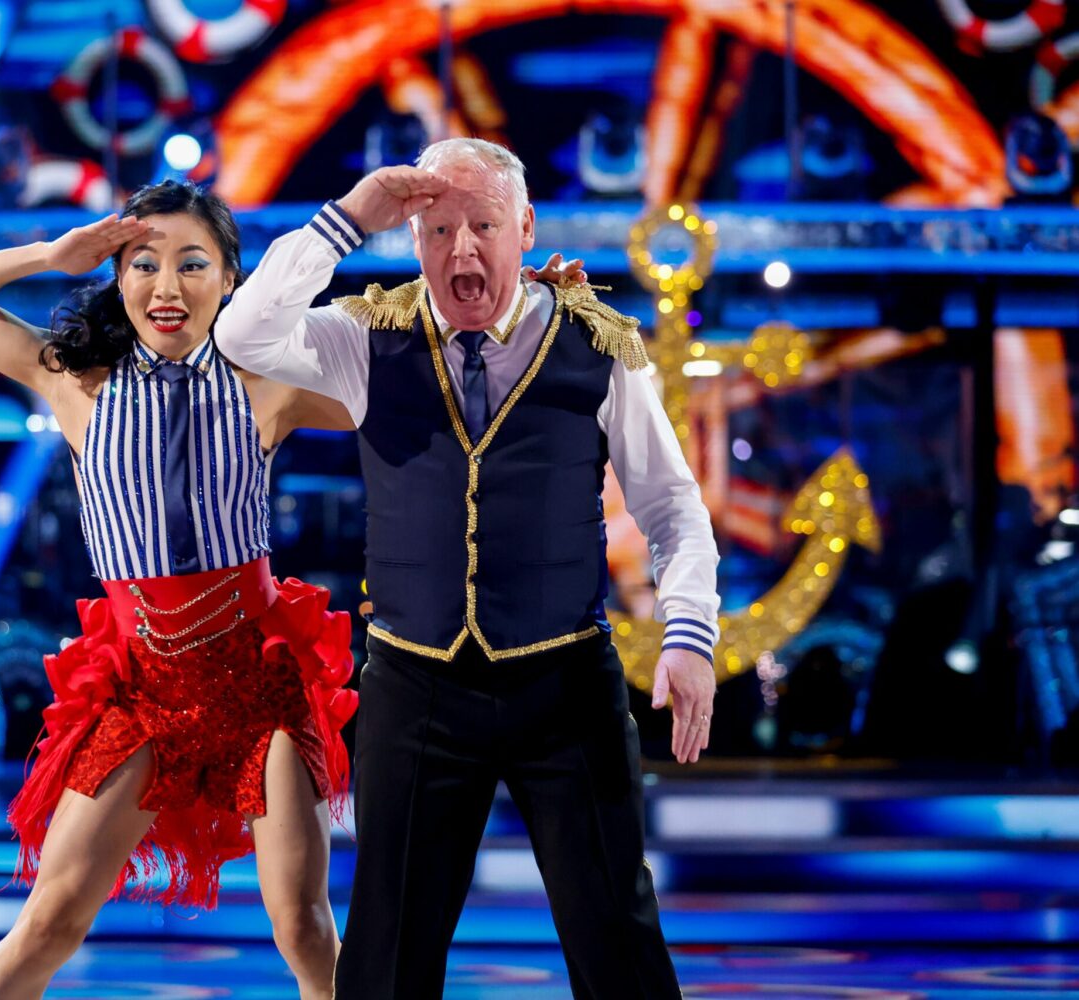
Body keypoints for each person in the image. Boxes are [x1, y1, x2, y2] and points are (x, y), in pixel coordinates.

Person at [215, 139, 721, 998]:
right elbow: (243, 330)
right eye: (439, 227)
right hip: (416, 687)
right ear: (411, 237)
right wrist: (347, 220)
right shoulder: (363, 338)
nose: (463, 250)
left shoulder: (600, 343)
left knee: (616, 935)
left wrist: (690, 634)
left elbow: (672, 506)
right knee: (390, 944)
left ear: (524, 229)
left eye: (484, 224)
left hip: (566, 684)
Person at [0, 180, 360, 1000]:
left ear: (231, 279)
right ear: (118, 278)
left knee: (303, 926)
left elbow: (413, 393)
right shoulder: (73, 383)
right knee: (49, 922)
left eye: (193, 263)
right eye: (143, 263)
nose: (166, 286)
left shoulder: (270, 383)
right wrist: (51, 255)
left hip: (258, 687)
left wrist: (515, 308)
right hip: (141, 692)